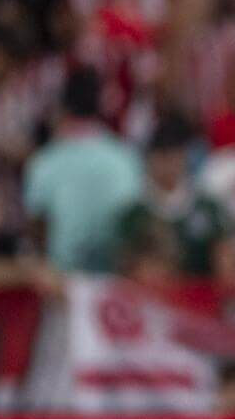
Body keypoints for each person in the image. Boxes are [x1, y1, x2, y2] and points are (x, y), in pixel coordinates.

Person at [23, 68, 145, 274]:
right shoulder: (126, 157)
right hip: (113, 278)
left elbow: (36, 227)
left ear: (62, 109)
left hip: (66, 277)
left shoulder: (45, 161)